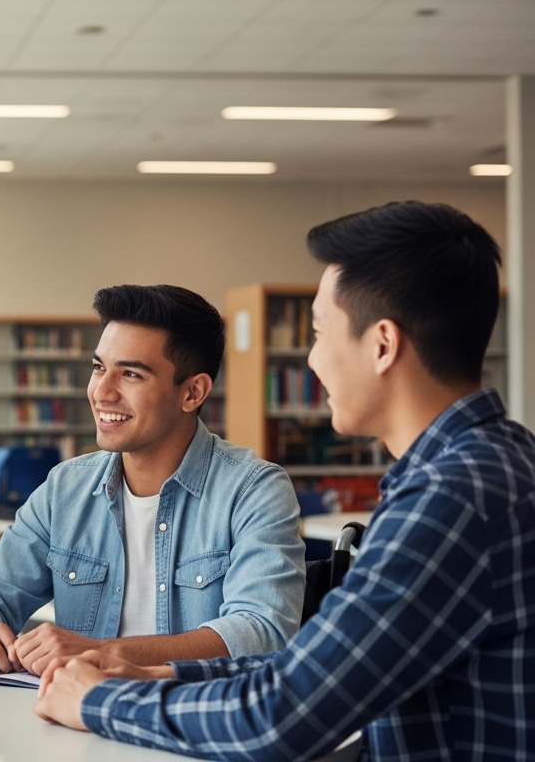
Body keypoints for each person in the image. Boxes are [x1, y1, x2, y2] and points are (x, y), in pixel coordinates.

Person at [34, 201, 534, 761]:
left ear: (383, 345)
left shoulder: (452, 498)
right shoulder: (492, 464)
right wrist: (157, 671)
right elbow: (317, 668)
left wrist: (100, 702)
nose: (313, 362)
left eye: (320, 333)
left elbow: (281, 719)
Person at [0, 285, 306, 675]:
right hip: (77, 717)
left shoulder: (255, 490)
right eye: (99, 368)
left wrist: (102, 652)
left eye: (130, 373)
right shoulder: (65, 488)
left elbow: (260, 632)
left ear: (193, 392)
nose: (102, 392)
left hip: (194, 719)